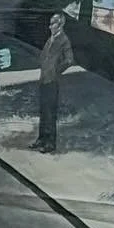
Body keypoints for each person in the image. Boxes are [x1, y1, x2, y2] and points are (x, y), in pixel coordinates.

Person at [36, 13, 75, 153]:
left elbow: (69, 60)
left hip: (52, 81)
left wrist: (56, 70)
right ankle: (41, 139)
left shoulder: (63, 40)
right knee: (43, 111)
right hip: (44, 79)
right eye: (50, 23)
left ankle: (50, 143)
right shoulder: (50, 39)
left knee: (50, 113)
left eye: (53, 23)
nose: (50, 26)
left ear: (61, 25)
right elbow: (44, 56)